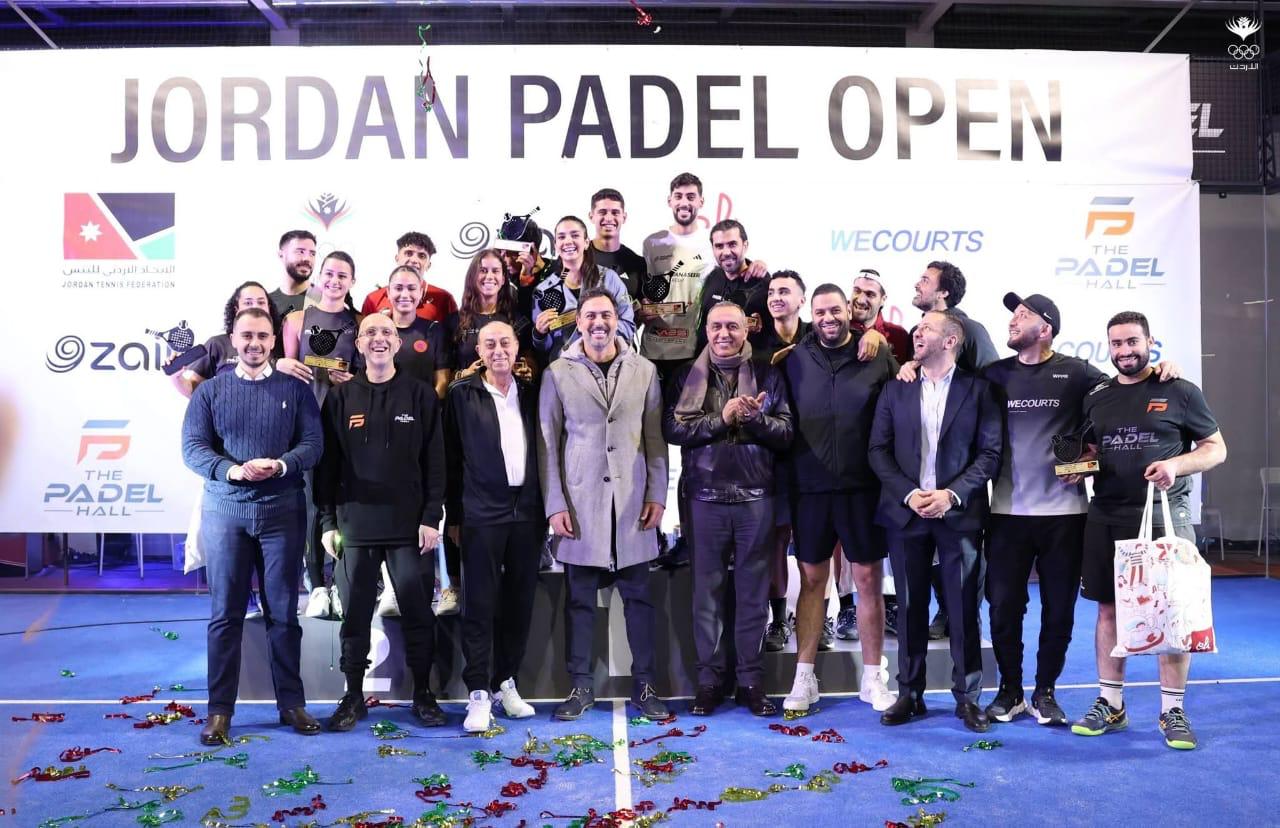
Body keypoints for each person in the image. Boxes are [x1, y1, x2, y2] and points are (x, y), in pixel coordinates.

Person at [1072, 311, 1225, 751]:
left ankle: (1172, 710)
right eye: (1116, 343)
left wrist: (1176, 465)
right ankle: (1111, 704)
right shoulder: (1097, 396)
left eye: (1132, 342)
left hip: (1165, 519)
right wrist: (1076, 468)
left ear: (1149, 343)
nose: (1124, 351)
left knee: (1171, 614)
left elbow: (1216, 449)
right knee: (1107, 610)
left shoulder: (1179, 390)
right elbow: (1091, 450)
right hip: (1106, 517)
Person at [181, 307, 323, 744]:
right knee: (225, 615)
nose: (255, 343)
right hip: (226, 513)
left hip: (283, 513)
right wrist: (233, 471)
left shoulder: (295, 390)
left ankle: (291, 704)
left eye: (263, 336)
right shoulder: (210, 392)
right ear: (233, 338)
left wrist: (281, 465)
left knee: (284, 614)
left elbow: (313, 444)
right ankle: (219, 712)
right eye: (247, 336)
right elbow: (193, 449)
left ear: (274, 341)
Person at [537, 289, 670, 721]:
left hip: (632, 505)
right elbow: (547, 443)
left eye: (607, 315)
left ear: (618, 320)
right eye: (591, 315)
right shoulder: (557, 373)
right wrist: (555, 504)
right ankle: (580, 688)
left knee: (640, 601)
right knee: (579, 603)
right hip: (580, 506)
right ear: (578, 322)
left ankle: (646, 686)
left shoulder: (645, 370)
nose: (599, 323)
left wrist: (657, 494)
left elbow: (655, 440)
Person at [869, 310, 1001, 733]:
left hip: (958, 513)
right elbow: (878, 451)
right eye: (917, 327)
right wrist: (910, 494)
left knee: (963, 608)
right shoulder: (896, 388)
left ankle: (968, 698)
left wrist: (951, 494)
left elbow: (990, 454)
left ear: (951, 340)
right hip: (905, 513)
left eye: (926, 328)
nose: (917, 332)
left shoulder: (979, 390)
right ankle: (910, 693)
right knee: (909, 607)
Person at [314, 314, 448, 731]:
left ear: (397, 343)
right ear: (358, 344)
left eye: (387, 332)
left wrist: (431, 516)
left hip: (410, 527)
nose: (378, 338)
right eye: (370, 332)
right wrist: (327, 521)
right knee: (355, 616)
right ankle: (353, 696)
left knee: (418, 613)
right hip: (355, 526)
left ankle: (423, 693)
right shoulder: (339, 399)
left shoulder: (421, 395)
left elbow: (436, 462)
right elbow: (326, 467)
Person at [664, 302, 793, 716]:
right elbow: (674, 429)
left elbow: (787, 433)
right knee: (707, 597)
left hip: (756, 499)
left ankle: (751, 682)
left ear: (746, 331)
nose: (724, 333)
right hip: (704, 499)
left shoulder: (769, 375)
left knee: (754, 596)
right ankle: (709, 682)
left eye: (732, 327)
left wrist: (755, 420)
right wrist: (722, 418)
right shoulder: (685, 375)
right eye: (716, 326)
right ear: (706, 331)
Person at [778, 284, 899, 714]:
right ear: (811, 315)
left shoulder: (876, 355)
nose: (828, 318)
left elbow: (900, 407)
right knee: (812, 581)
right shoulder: (793, 359)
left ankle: (873, 678)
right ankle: (804, 678)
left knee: (867, 581)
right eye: (820, 312)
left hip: (863, 488)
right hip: (809, 489)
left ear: (849, 309)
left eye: (835, 310)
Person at [445, 321, 544, 733]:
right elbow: (451, 459)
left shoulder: (534, 393)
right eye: (490, 344)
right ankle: (478, 693)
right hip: (481, 512)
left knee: (519, 603)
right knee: (479, 605)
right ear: (479, 351)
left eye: (505, 342)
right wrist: (454, 515)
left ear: (517, 347)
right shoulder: (460, 395)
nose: (499, 350)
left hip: (528, 513)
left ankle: (506, 683)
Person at [170, 280, 277, 620]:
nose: (254, 306)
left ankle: (272, 600)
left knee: (270, 537)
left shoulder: (274, 345)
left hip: (269, 454)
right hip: (225, 456)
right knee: (228, 542)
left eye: (261, 301)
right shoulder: (217, 344)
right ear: (235, 308)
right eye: (247, 301)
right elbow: (194, 389)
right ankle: (242, 600)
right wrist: (175, 375)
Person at [904, 260, 998, 640]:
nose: (917, 284)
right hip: (924, 464)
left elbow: (994, 381)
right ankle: (944, 609)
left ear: (943, 292)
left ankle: (963, 616)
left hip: (963, 461)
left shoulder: (970, 330)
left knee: (963, 550)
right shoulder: (917, 334)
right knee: (927, 545)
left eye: (925, 280)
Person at [278, 251, 360, 620]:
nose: (334, 281)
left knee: (343, 504)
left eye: (342, 276)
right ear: (319, 277)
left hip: (347, 425)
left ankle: (342, 583)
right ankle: (317, 586)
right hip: (306, 424)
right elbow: (285, 375)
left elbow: (369, 374)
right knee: (312, 506)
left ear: (352, 282)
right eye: (329, 273)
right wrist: (282, 363)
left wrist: (352, 379)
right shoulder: (297, 320)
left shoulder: (360, 323)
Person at [754, 271, 811, 652]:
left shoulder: (820, 336)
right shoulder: (755, 347)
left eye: (785, 291)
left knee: (816, 545)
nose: (776, 297)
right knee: (775, 541)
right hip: (773, 458)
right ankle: (777, 620)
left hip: (816, 456)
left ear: (802, 299)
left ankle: (821, 617)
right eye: (772, 291)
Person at [637, 172, 717, 384]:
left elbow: (734, 270)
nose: (684, 203)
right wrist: (642, 308)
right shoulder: (652, 243)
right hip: (655, 348)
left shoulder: (711, 242)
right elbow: (643, 290)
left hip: (696, 349)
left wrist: (757, 265)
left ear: (701, 201)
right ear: (669, 201)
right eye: (678, 196)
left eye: (691, 197)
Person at [532, 216, 636, 362]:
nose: (568, 241)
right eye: (561, 237)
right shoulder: (543, 291)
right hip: (565, 368)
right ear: (555, 245)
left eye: (575, 235)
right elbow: (545, 347)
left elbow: (628, 327)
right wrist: (539, 334)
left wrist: (598, 327)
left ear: (586, 242)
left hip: (606, 363)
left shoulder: (609, 279)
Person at [453, 249, 535, 378]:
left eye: (495, 271)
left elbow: (531, 359)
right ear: (472, 277)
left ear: (503, 279)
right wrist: (464, 374)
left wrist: (528, 370)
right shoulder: (455, 321)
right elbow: (442, 374)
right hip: (468, 390)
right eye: (483, 270)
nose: (490, 276)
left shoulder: (517, 318)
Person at [693, 220, 769, 353]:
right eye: (719, 246)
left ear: (745, 245)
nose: (726, 252)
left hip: (749, 362)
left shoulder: (763, 282)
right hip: (707, 360)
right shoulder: (712, 276)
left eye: (732, 244)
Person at [360, 232, 459, 326]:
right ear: (397, 258)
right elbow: (363, 335)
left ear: (428, 265)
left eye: (422, 256)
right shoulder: (373, 299)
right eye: (408, 253)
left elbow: (454, 336)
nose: (414, 260)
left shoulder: (444, 299)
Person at [384, 265, 452, 398]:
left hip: (423, 408)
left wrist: (429, 407)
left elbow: (442, 381)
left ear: (420, 292)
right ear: (388, 292)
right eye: (398, 288)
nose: (405, 294)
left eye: (411, 288)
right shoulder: (376, 332)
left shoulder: (434, 330)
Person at [588, 188, 647, 299]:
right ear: (591, 217)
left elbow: (643, 306)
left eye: (615, 213)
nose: (609, 218)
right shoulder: (576, 259)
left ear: (624, 217)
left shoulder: (638, 264)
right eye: (602, 212)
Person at [850, 269, 912, 364]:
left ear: (883, 300)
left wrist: (881, 342)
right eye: (857, 291)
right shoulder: (837, 329)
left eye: (870, 294)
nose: (861, 300)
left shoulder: (898, 335)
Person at [268, 230, 319, 318]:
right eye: (300, 252)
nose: (307, 258)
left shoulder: (324, 298)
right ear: (281, 255)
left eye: (312, 254)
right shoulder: (267, 302)